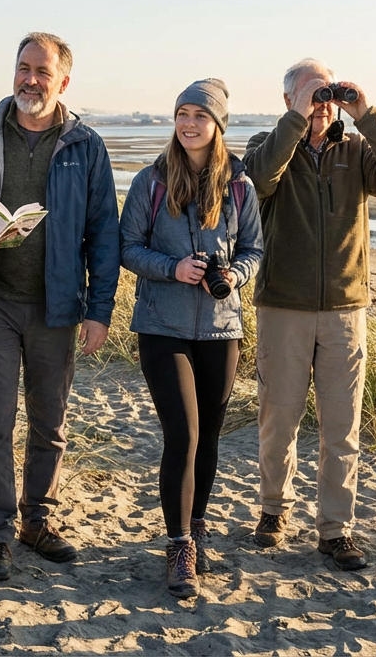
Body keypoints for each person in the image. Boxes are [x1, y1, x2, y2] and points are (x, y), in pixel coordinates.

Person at [242, 58, 376, 571]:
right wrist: (298, 121)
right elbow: (256, 182)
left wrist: (365, 114)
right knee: (279, 418)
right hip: (283, 305)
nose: (320, 104)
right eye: (308, 94)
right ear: (287, 101)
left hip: (346, 308)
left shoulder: (356, 150)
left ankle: (336, 529)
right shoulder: (267, 144)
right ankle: (274, 510)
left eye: (326, 94)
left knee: (342, 426)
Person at [0, 32, 120, 581]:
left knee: (50, 423)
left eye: (42, 72)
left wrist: (99, 309)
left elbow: (103, 233)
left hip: (57, 307)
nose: (30, 79)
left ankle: (38, 521)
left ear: (62, 82)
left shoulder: (86, 146)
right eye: (23, 67)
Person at [119, 79, 262, 597]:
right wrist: (172, 268)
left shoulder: (240, 185)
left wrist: (233, 276)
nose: (189, 123)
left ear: (217, 124)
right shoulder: (150, 182)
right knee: (182, 433)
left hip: (222, 329)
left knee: (209, 437)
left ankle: (196, 525)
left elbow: (254, 250)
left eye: (200, 115)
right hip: (162, 327)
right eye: (182, 113)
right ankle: (179, 545)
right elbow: (128, 247)